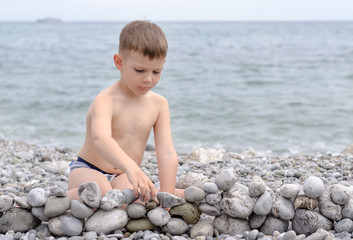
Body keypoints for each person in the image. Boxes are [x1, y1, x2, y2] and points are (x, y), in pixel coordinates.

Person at [67, 20, 184, 203]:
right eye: (140, 70)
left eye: (156, 71)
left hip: (124, 175)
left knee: (138, 200)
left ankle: (169, 192)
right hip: (89, 169)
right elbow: (101, 138)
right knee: (101, 193)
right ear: (119, 62)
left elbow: (166, 151)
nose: (148, 79)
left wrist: (166, 198)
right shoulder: (106, 100)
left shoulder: (159, 104)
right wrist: (132, 168)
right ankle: (56, 201)